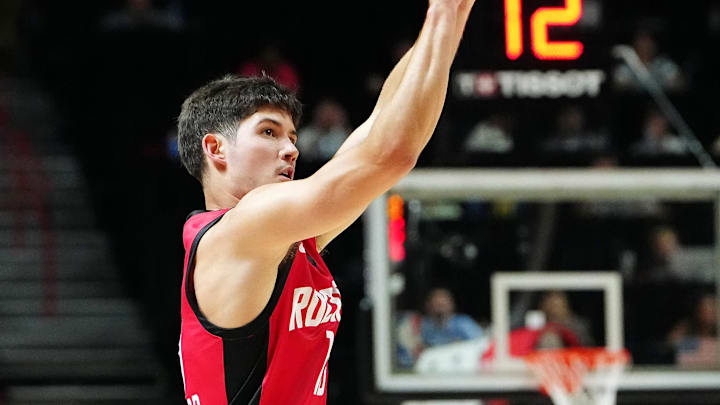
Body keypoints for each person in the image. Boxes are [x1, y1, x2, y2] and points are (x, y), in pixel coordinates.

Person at [175, 1, 477, 404]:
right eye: (269, 132)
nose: (290, 150)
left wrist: (452, 16)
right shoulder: (242, 229)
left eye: (293, 138)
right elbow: (391, 155)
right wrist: (442, 15)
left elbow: (379, 127)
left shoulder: (283, 235)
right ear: (215, 148)